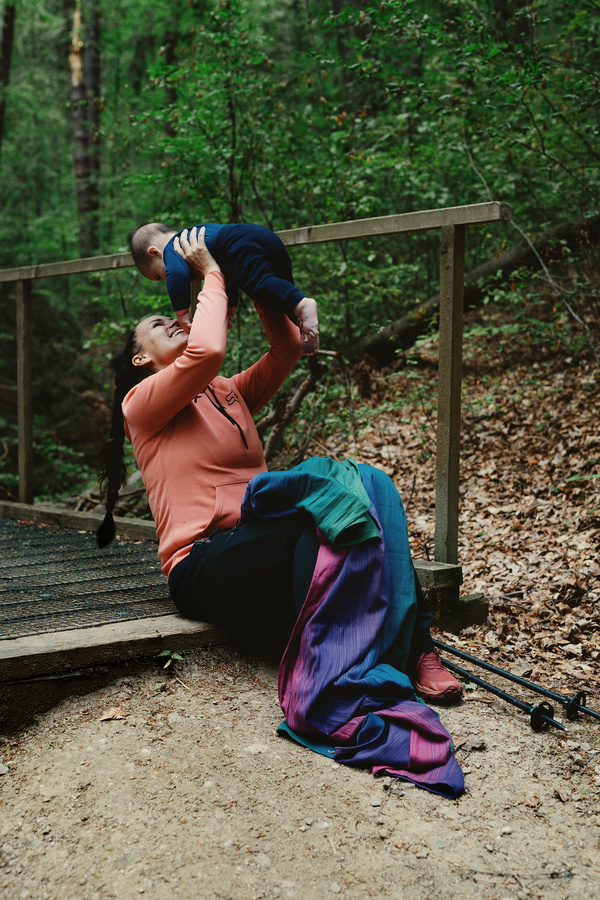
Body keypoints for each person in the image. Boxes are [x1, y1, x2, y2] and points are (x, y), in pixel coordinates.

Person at [97, 227, 464, 797]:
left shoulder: (227, 392)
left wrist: (259, 284)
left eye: (169, 315)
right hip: (203, 562)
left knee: (365, 485)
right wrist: (213, 271)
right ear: (143, 356)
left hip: (261, 544)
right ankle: (339, 660)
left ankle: (410, 646)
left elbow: (287, 348)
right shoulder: (141, 404)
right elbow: (208, 349)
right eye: (154, 325)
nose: (168, 319)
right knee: (317, 505)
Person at [128, 220, 320, 356]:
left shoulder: (173, 249)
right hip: (264, 237)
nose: (166, 276)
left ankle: (304, 305)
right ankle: (303, 327)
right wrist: (230, 306)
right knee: (279, 293)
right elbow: (230, 274)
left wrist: (181, 313)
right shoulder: (197, 238)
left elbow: (177, 276)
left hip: (242, 243)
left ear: (155, 253)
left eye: (159, 276)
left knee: (258, 284)